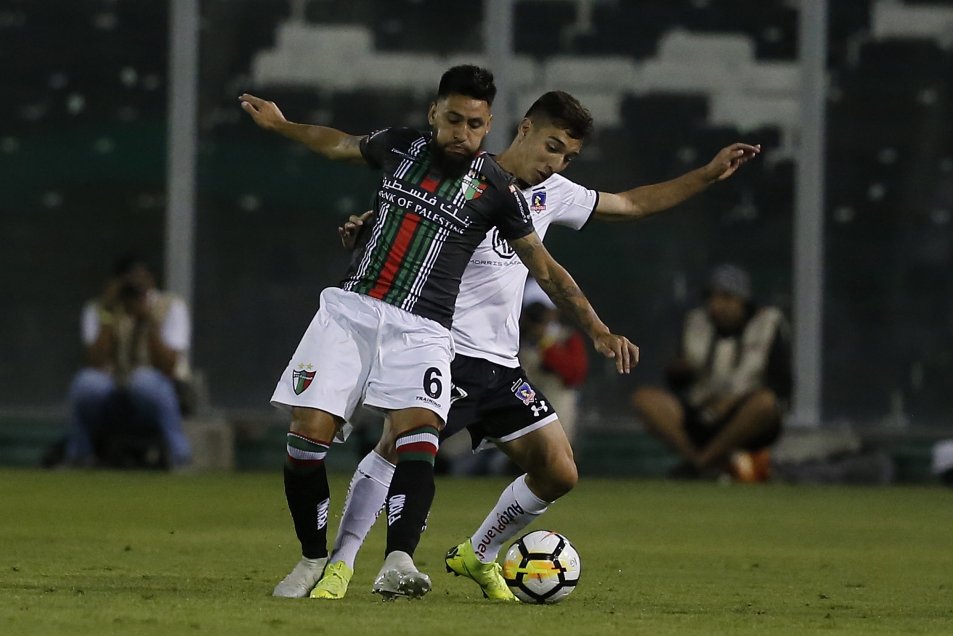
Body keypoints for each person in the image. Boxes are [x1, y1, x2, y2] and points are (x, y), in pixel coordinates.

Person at [309, 91, 760, 602]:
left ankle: (477, 553)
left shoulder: (554, 193)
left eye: (568, 156)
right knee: (394, 449)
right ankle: (340, 565)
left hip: (502, 366)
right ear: (524, 129)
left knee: (559, 470)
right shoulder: (463, 176)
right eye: (551, 147)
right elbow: (402, 223)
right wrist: (366, 228)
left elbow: (632, 204)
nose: (556, 163)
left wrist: (706, 174)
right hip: (443, 349)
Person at [239, 68, 638, 601]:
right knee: (306, 442)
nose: (462, 133)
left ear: (488, 125)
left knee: (419, 437)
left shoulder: (498, 190)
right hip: (352, 308)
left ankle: (399, 560)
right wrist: (283, 125)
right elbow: (338, 144)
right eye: (454, 119)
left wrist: (596, 328)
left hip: (424, 327)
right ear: (434, 113)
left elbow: (546, 270)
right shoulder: (401, 147)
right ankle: (315, 559)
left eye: (474, 124)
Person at [631, 263, 792, 480]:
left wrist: (733, 402)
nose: (717, 305)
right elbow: (677, 383)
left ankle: (703, 462)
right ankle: (697, 460)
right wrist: (679, 371)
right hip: (701, 409)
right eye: (712, 297)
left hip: (743, 415)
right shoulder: (696, 321)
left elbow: (782, 386)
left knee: (765, 403)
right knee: (644, 399)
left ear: (742, 300)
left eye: (726, 298)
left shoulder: (768, 323)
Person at [63, 255, 193, 469]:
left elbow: (168, 365)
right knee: (85, 383)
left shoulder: (171, 306)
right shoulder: (100, 308)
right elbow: (95, 362)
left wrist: (147, 320)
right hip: (114, 390)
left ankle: (180, 457)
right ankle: (79, 455)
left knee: (143, 381)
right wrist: (108, 316)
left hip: (160, 390)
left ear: (151, 281)